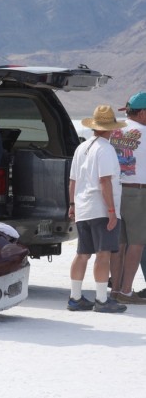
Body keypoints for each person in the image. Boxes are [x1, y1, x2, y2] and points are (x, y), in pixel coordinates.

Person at [67, 105, 127, 313]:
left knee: (82, 253)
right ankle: (102, 299)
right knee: (104, 253)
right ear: (110, 128)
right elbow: (105, 181)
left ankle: (75, 297)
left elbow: (72, 181)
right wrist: (111, 210)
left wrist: (72, 205)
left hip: (83, 206)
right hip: (100, 208)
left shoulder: (81, 148)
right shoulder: (106, 149)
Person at [109, 91, 146, 304]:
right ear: (142, 113)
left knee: (120, 243)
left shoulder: (114, 131)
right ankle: (126, 291)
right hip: (138, 191)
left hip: (115, 190)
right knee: (137, 243)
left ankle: (114, 289)